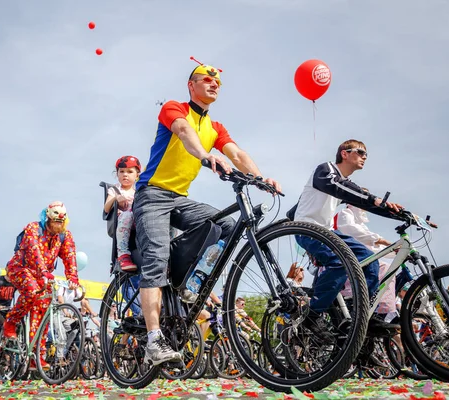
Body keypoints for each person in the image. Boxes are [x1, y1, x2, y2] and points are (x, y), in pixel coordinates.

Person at [133, 62, 281, 365]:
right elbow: (184, 131)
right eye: (206, 80)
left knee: (227, 225)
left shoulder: (215, 127)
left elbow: (237, 154)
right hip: (152, 195)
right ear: (192, 86)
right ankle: (153, 341)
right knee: (156, 261)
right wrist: (204, 156)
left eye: (218, 83)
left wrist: (261, 178)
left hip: (179, 199)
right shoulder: (175, 108)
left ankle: (193, 283)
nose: (214, 85)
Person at [288, 139, 403, 338]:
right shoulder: (325, 170)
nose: (365, 157)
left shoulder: (344, 184)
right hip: (309, 230)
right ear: (344, 153)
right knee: (338, 262)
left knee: (370, 260)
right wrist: (372, 199)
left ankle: (359, 314)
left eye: (366, 154)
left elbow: (362, 200)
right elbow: (343, 189)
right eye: (360, 152)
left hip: (326, 232)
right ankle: (313, 314)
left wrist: (398, 213)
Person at [3, 201, 81, 371]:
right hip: (21, 268)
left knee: (43, 311)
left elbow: (69, 257)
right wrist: (44, 272)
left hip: (43, 276)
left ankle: (36, 356)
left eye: (61, 222)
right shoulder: (33, 229)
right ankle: (11, 321)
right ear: (47, 219)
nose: (58, 226)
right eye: (55, 222)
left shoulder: (64, 236)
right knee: (31, 292)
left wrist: (73, 278)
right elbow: (34, 251)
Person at [336, 203, 398, 319]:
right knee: (379, 267)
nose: (364, 208)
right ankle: (361, 304)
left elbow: (373, 247)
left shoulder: (361, 224)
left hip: (359, 257)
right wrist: (381, 240)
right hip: (345, 257)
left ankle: (379, 311)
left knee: (387, 269)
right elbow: (354, 232)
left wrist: (395, 251)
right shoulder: (345, 214)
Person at [104, 156, 142, 272]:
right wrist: (116, 198)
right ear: (117, 173)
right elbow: (106, 208)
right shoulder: (115, 190)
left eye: (130, 172)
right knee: (128, 215)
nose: (125, 174)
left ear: (137, 175)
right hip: (122, 222)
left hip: (139, 220)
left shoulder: (139, 191)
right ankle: (123, 254)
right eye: (122, 171)